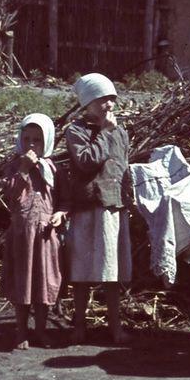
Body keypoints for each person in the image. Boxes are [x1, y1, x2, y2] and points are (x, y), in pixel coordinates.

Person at [65, 72, 133, 345]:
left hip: (112, 207)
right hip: (88, 207)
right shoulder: (76, 131)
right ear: (88, 102)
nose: (109, 105)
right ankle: (79, 325)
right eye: (102, 99)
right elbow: (86, 161)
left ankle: (115, 327)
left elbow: (122, 166)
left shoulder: (120, 131)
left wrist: (128, 198)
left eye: (112, 99)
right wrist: (104, 132)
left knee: (111, 271)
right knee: (82, 270)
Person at [2, 113, 68, 350]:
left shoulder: (53, 169)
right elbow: (10, 194)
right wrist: (24, 168)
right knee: (23, 282)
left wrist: (61, 213)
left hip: (46, 237)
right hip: (22, 236)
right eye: (27, 139)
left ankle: (40, 330)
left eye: (37, 140)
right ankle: (21, 331)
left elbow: (64, 199)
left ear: (47, 141)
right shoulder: (14, 166)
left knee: (44, 282)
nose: (31, 145)